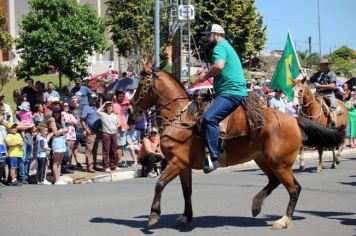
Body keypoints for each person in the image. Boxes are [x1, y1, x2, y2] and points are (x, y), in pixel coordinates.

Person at [198, 24, 247, 173]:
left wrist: (205, 76)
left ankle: (214, 158)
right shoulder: (226, 46)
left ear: (217, 35)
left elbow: (219, 66)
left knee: (209, 118)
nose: (206, 38)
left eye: (208, 35)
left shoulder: (219, 48)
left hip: (230, 92)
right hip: (230, 91)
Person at [308, 58, 338, 126]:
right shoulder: (317, 74)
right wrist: (304, 76)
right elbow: (309, 81)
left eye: (322, 65)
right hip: (318, 93)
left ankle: (334, 121)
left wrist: (320, 86)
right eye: (320, 65)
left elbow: (333, 85)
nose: (321, 66)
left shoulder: (331, 74)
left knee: (333, 105)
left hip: (328, 94)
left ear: (326, 65)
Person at [81, 93, 101, 173]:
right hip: (91, 131)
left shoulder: (96, 107)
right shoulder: (86, 108)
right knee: (89, 149)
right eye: (92, 99)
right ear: (88, 99)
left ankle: (94, 165)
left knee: (95, 149)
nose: (94, 100)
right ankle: (89, 166)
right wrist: (86, 129)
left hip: (97, 131)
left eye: (95, 99)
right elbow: (82, 120)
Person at [48, 106, 68, 185]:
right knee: (56, 162)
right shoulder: (52, 121)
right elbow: (55, 133)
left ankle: (58, 179)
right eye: (56, 112)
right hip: (56, 141)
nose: (57, 114)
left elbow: (62, 130)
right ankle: (56, 179)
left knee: (59, 162)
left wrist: (62, 130)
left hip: (62, 140)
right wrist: (64, 130)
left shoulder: (60, 120)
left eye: (59, 112)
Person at [97, 101, 119, 172]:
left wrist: (116, 127)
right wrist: (104, 104)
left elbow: (119, 123)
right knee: (106, 151)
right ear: (106, 108)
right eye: (108, 106)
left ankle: (113, 166)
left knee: (113, 150)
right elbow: (97, 111)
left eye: (110, 106)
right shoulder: (103, 114)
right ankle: (106, 166)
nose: (109, 107)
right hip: (106, 134)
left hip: (114, 133)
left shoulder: (115, 115)